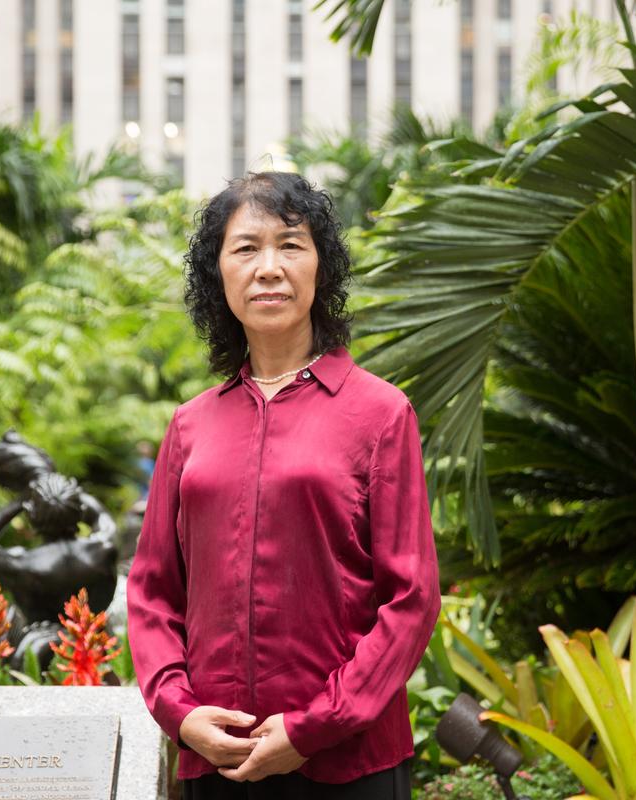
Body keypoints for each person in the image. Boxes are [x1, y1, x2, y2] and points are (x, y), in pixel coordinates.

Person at [126, 172, 441, 799]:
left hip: (349, 764)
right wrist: (181, 712)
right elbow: (154, 590)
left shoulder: (380, 414)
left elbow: (411, 599)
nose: (269, 267)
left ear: (321, 268)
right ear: (218, 275)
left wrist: (313, 727)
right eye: (246, 248)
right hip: (218, 759)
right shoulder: (191, 425)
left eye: (291, 245)